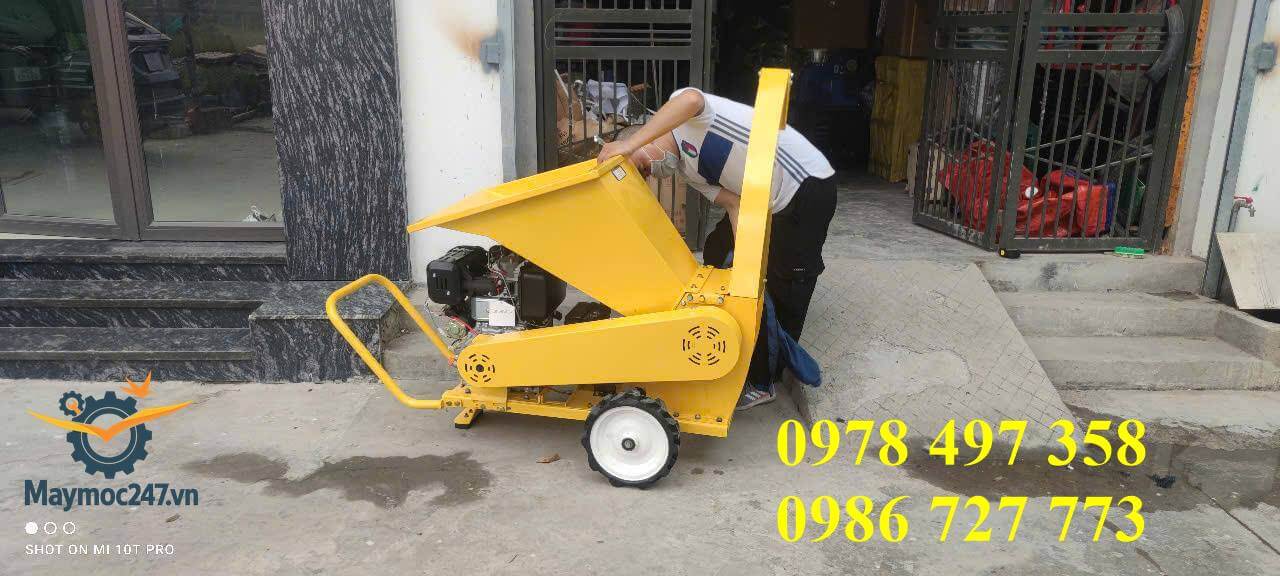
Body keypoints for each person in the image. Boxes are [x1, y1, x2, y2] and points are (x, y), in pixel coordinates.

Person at [597, 86, 836, 411]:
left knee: (789, 281)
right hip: (763, 201)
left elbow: (693, 99)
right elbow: (735, 204)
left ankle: (764, 380)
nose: (649, 174)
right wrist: (747, 268)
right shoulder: (689, 173)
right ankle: (747, 338)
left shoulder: (685, 113)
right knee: (718, 251)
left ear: (644, 138)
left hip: (806, 185)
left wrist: (626, 145)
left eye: (640, 167)